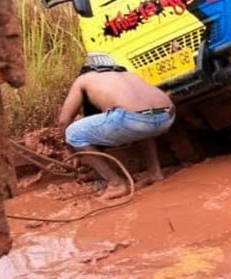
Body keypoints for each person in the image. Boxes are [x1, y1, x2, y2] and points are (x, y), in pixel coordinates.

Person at [59, 52, 176, 200]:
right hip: (166, 117)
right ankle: (155, 172)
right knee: (142, 119)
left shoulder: (84, 79)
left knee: (73, 133)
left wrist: (72, 151)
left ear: (88, 69)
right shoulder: (129, 74)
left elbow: (64, 121)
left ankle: (116, 184)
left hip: (134, 121)